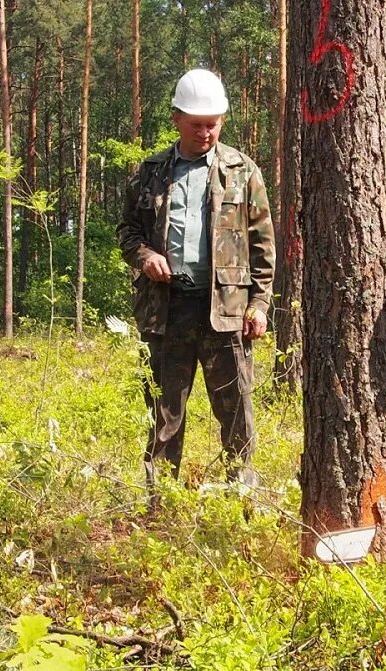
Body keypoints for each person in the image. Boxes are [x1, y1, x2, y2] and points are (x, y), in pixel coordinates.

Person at [117, 68, 275, 495]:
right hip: (167, 311)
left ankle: (241, 502)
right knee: (164, 417)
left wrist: (259, 305)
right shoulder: (149, 173)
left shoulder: (243, 172)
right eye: (196, 125)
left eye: (213, 124)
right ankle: (160, 502)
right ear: (176, 119)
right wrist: (146, 255)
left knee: (236, 415)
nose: (206, 133)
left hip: (226, 311)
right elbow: (127, 232)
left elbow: (263, 246)